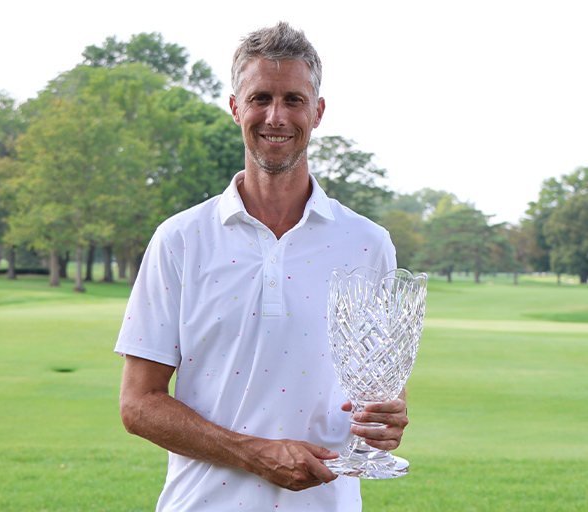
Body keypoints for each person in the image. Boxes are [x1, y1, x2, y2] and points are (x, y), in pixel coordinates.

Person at [115, 21, 408, 512]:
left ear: (317, 112)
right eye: (260, 98)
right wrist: (255, 454)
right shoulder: (180, 239)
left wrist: (388, 421)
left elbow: (378, 398)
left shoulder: (368, 245)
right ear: (235, 107)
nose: (276, 116)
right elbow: (138, 404)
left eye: (293, 99)